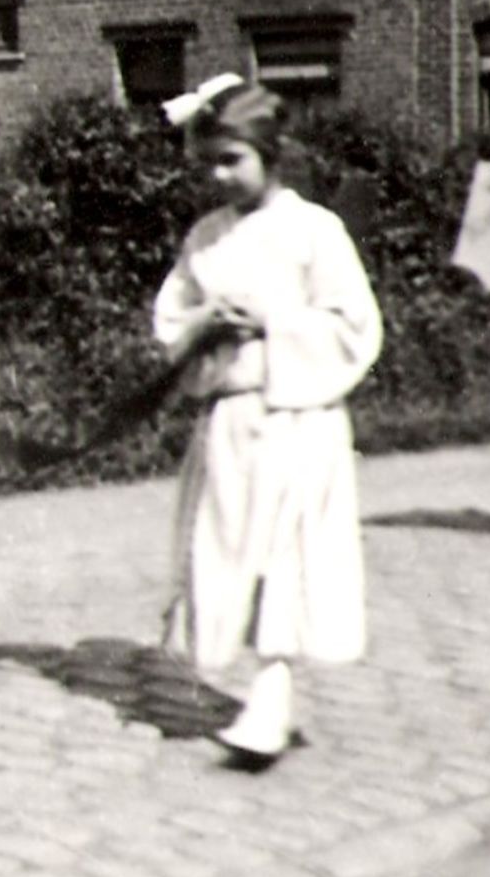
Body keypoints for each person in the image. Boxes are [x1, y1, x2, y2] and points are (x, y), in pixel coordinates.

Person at [154, 79, 383, 768]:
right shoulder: (207, 237)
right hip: (230, 420)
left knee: (286, 560)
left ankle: (271, 695)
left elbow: (353, 324)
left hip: (298, 419)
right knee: (230, 554)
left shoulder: (315, 230)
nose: (221, 177)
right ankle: (252, 678)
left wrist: (274, 325)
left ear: (269, 154)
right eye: (212, 164)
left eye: (234, 160)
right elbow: (171, 318)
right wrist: (202, 324)